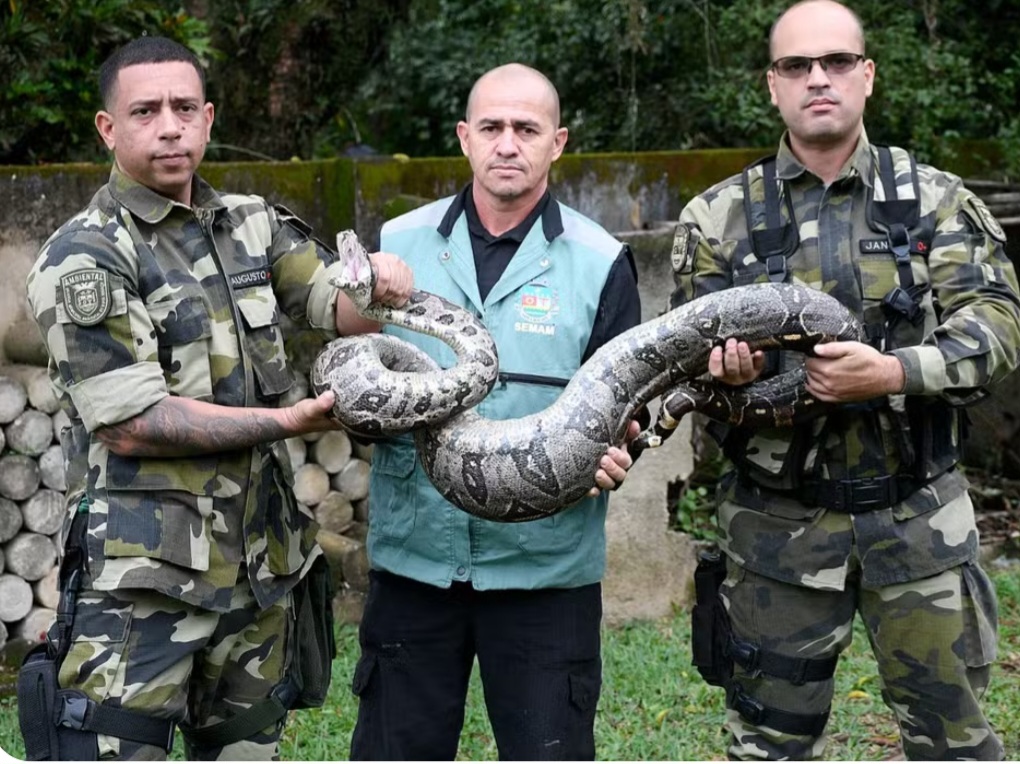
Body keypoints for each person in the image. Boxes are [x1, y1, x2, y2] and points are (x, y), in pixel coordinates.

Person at [21, 36, 412, 761]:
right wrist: (290, 419)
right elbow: (134, 423)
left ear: (206, 118)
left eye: (182, 108)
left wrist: (379, 286)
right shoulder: (87, 254)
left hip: (258, 575)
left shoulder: (250, 223)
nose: (168, 126)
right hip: (144, 593)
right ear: (109, 129)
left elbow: (336, 306)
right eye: (145, 111)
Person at [671, 1, 1020, 760]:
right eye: (796, 66)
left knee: (955, 745)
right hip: (776, 536)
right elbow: (690, 368)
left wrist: (891, 372)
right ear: (773, 85)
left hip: (919, 525)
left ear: (866, 75)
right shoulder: (717, 218)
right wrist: (734, 374)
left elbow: (996, 328)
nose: (817, 79)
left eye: (835, 62)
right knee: (767, 747)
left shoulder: (937, 199)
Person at [348, 63, 642, 761]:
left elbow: (629, 408)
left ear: (558, 142)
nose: (508, 143)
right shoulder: (396, 245)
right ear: (464, 137)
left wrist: (621, 449)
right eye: (492, 127)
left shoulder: (602, 262)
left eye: (527, 129)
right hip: (415, 567)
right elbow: (355, 383)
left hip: (546, 572)